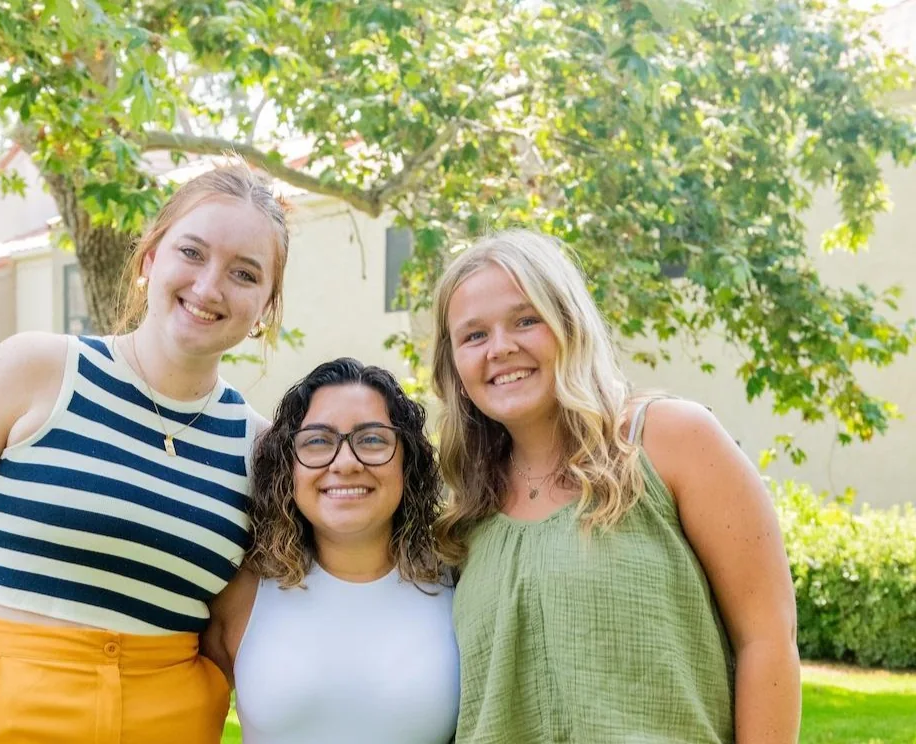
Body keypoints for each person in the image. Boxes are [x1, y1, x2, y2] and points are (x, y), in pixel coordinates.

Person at [0, 162, 289, 744]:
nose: (209, 287)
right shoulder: (35, 370)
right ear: (150, 259)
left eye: (245, 273)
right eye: (192, 253)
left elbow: (231, 630)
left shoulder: (259, 448)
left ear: (266, 305)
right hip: (12, 720)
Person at [432, 229, 800, 743]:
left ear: (570, 324)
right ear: (453, 364)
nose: (501, 348)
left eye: (526, 319)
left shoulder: (671, 439)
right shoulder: (463, 510)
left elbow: (767, 639)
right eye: (473, 335)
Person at [204, 358, 459, 744]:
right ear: (289, 466)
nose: (345, 463)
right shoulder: (242, 593)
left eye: (372, 439)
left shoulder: (457, 583)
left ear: (407, 460)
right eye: (318, 441)